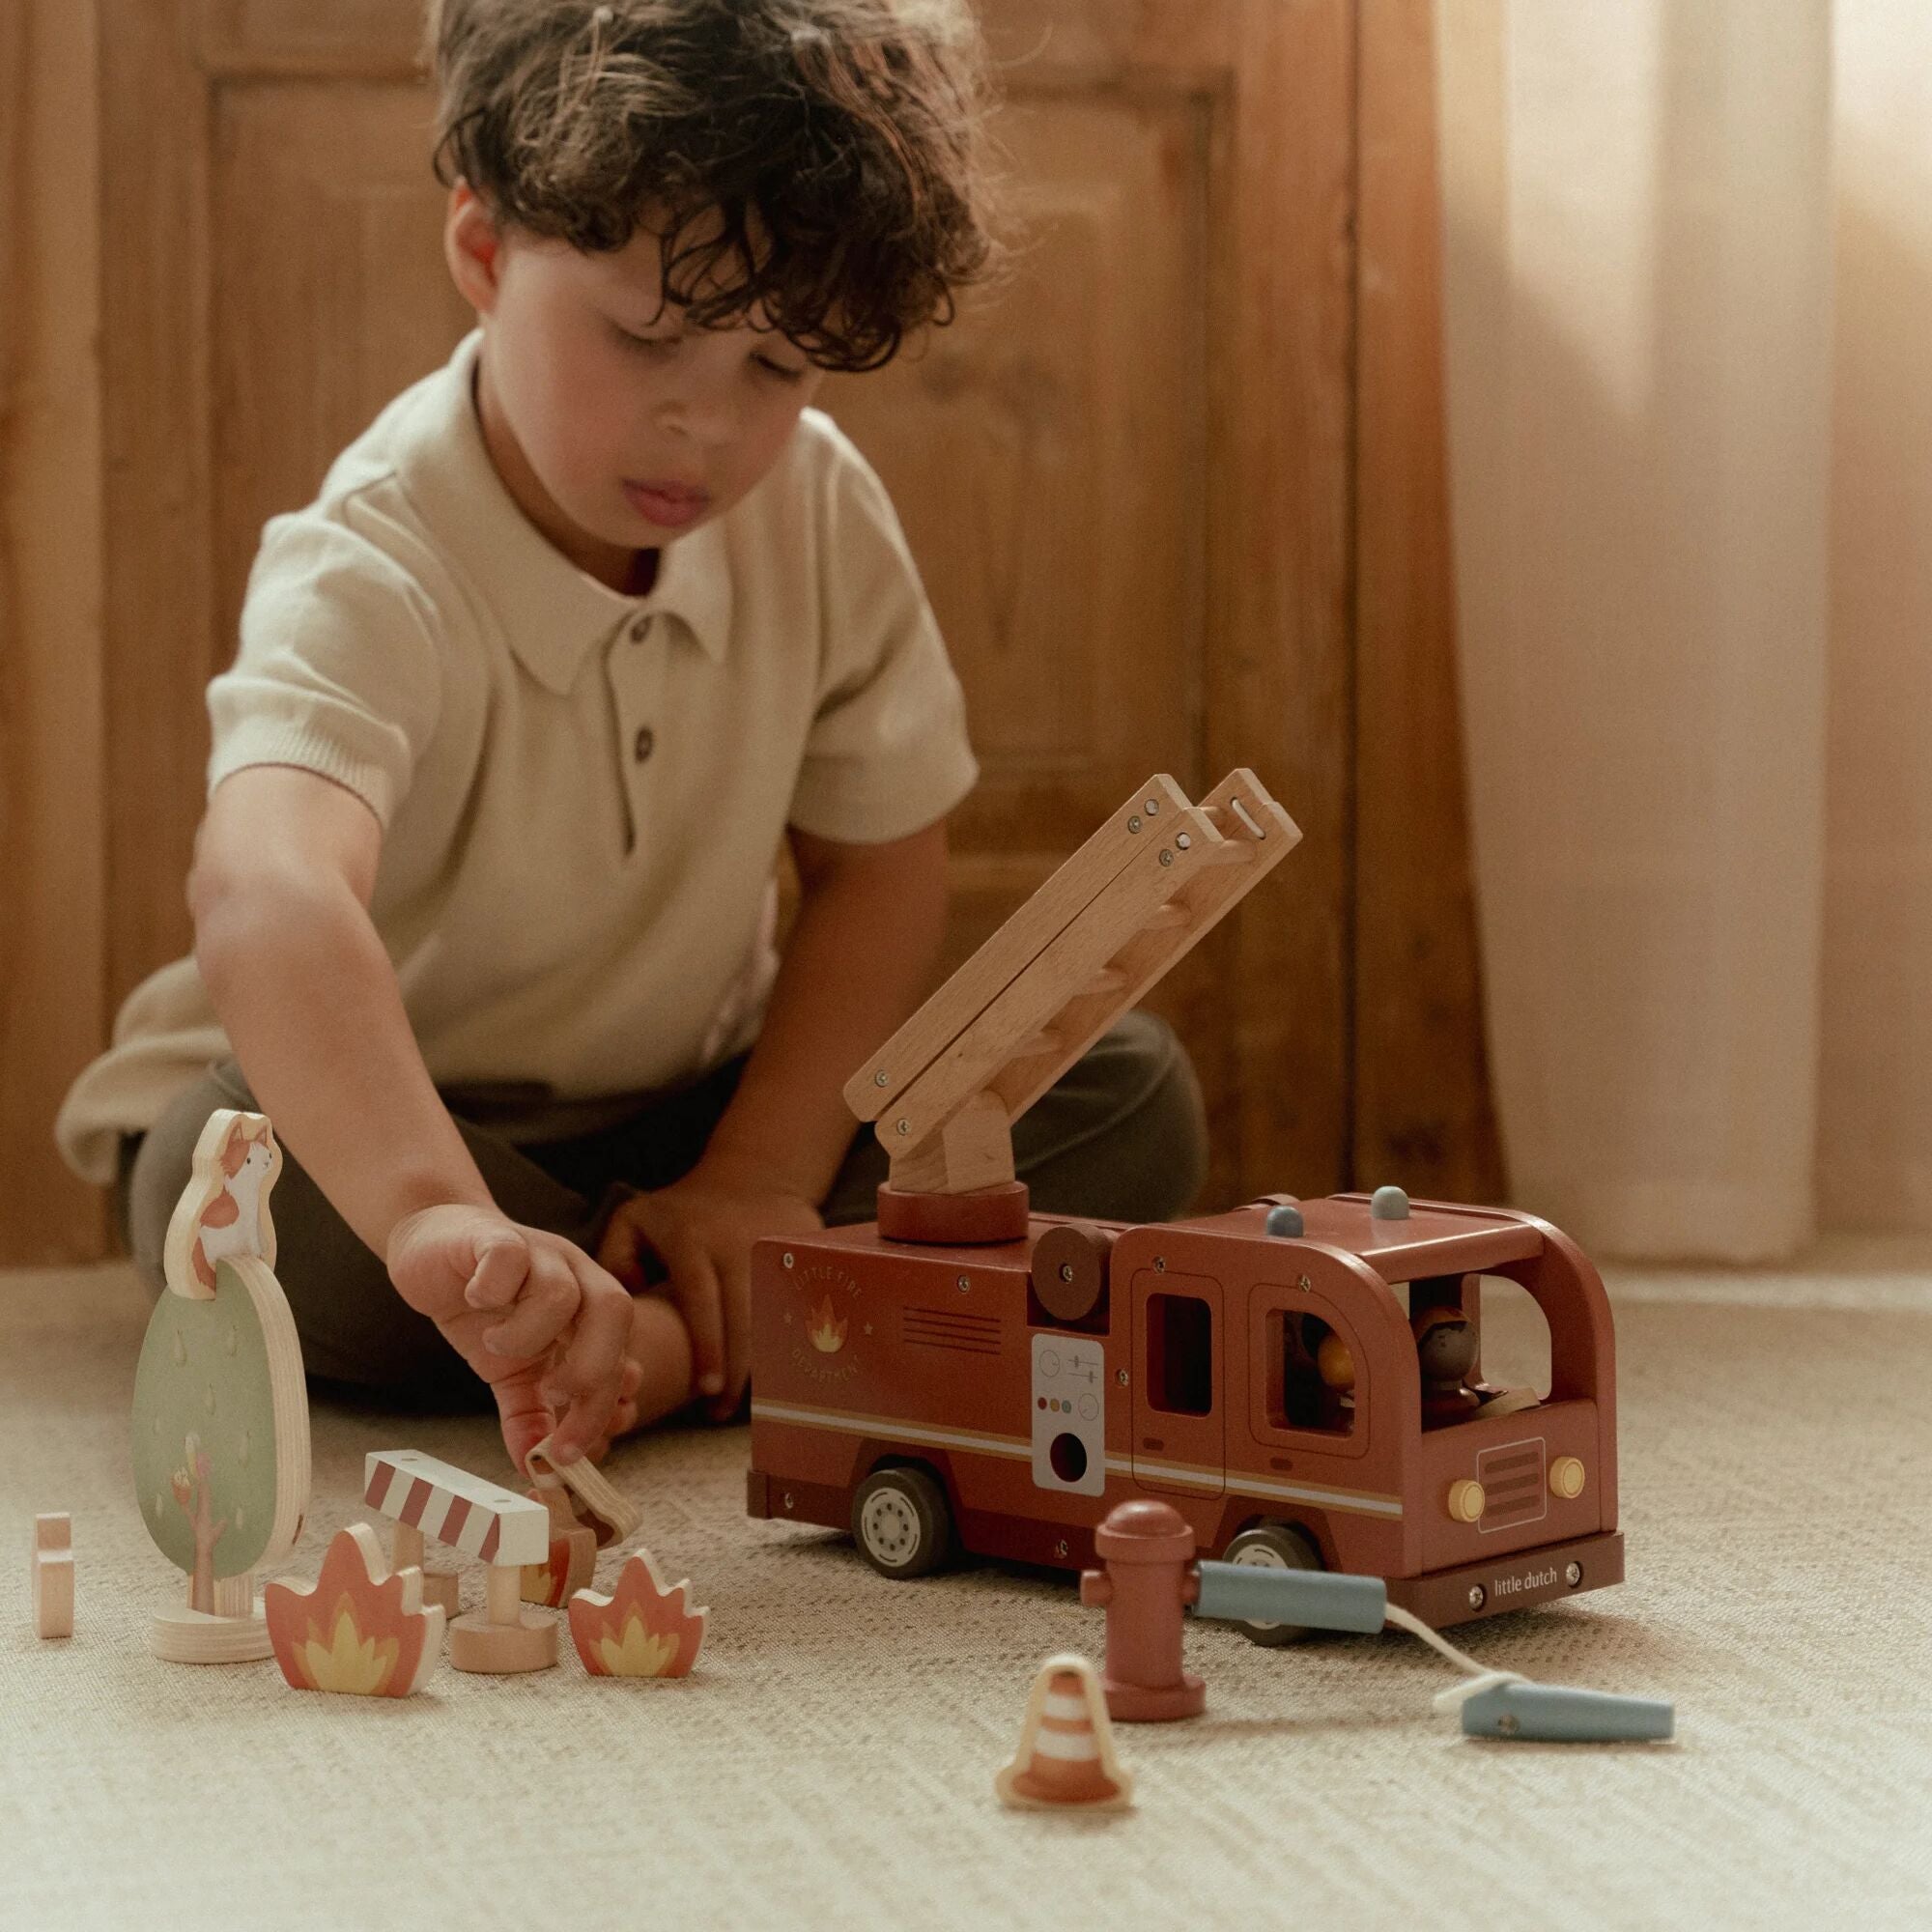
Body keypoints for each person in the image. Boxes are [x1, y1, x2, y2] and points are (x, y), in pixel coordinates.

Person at [54, 0, 1208, 1473]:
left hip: (688, 1116)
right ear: (483, 252)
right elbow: (267, 891)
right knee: (248, 1209)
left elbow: (879, 871)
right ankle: (719, 1326)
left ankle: (660, 1340)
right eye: (651, 336)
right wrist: (433, 1215)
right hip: (406, 1115)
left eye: (779, 370)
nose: (706, 430)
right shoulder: (376, 563)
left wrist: (759, 1177)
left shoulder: (817, 512)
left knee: (1125, 1098)